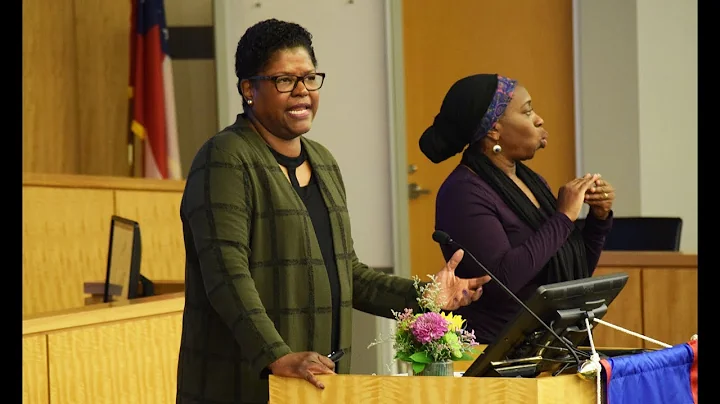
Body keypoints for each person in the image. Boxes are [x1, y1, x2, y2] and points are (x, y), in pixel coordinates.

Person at [176, 19, 491, 404]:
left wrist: (424, 295)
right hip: (244, 383)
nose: (302, 92)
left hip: (318, 384)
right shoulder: (224, 158)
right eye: (284, 81)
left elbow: (349, 275)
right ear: (249, 89)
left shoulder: (323, 162)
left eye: (309, 78)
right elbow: (226, 275)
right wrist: (276, 355)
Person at [419, 74, 615, 344]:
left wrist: (598, 219)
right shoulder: (463, 192)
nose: (539, 119)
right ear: (494, 130)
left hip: (551, 341)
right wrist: (564, 217)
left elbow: (573, 273)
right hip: (499, 350)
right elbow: (502, 281)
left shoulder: (530, 181)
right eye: (527, 111)